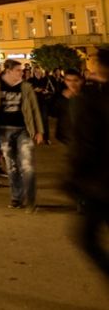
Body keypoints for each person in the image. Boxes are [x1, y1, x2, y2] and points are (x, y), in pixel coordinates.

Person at [65, 46, 109, 279]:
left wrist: (74, 177)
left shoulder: (93, 100)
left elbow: (87, 143)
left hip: (101, 182)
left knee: (88, 238)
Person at [0, 59, 44, 211]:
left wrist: (39, 130)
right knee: (11, 166)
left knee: (27, 166)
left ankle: (30, 200)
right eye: (18, 70)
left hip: (24, 129)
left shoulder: (26, 87)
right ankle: (16, 197)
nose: (22, 73)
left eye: (22, 70)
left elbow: (35, 109)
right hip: (4, 130)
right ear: (8, 71)